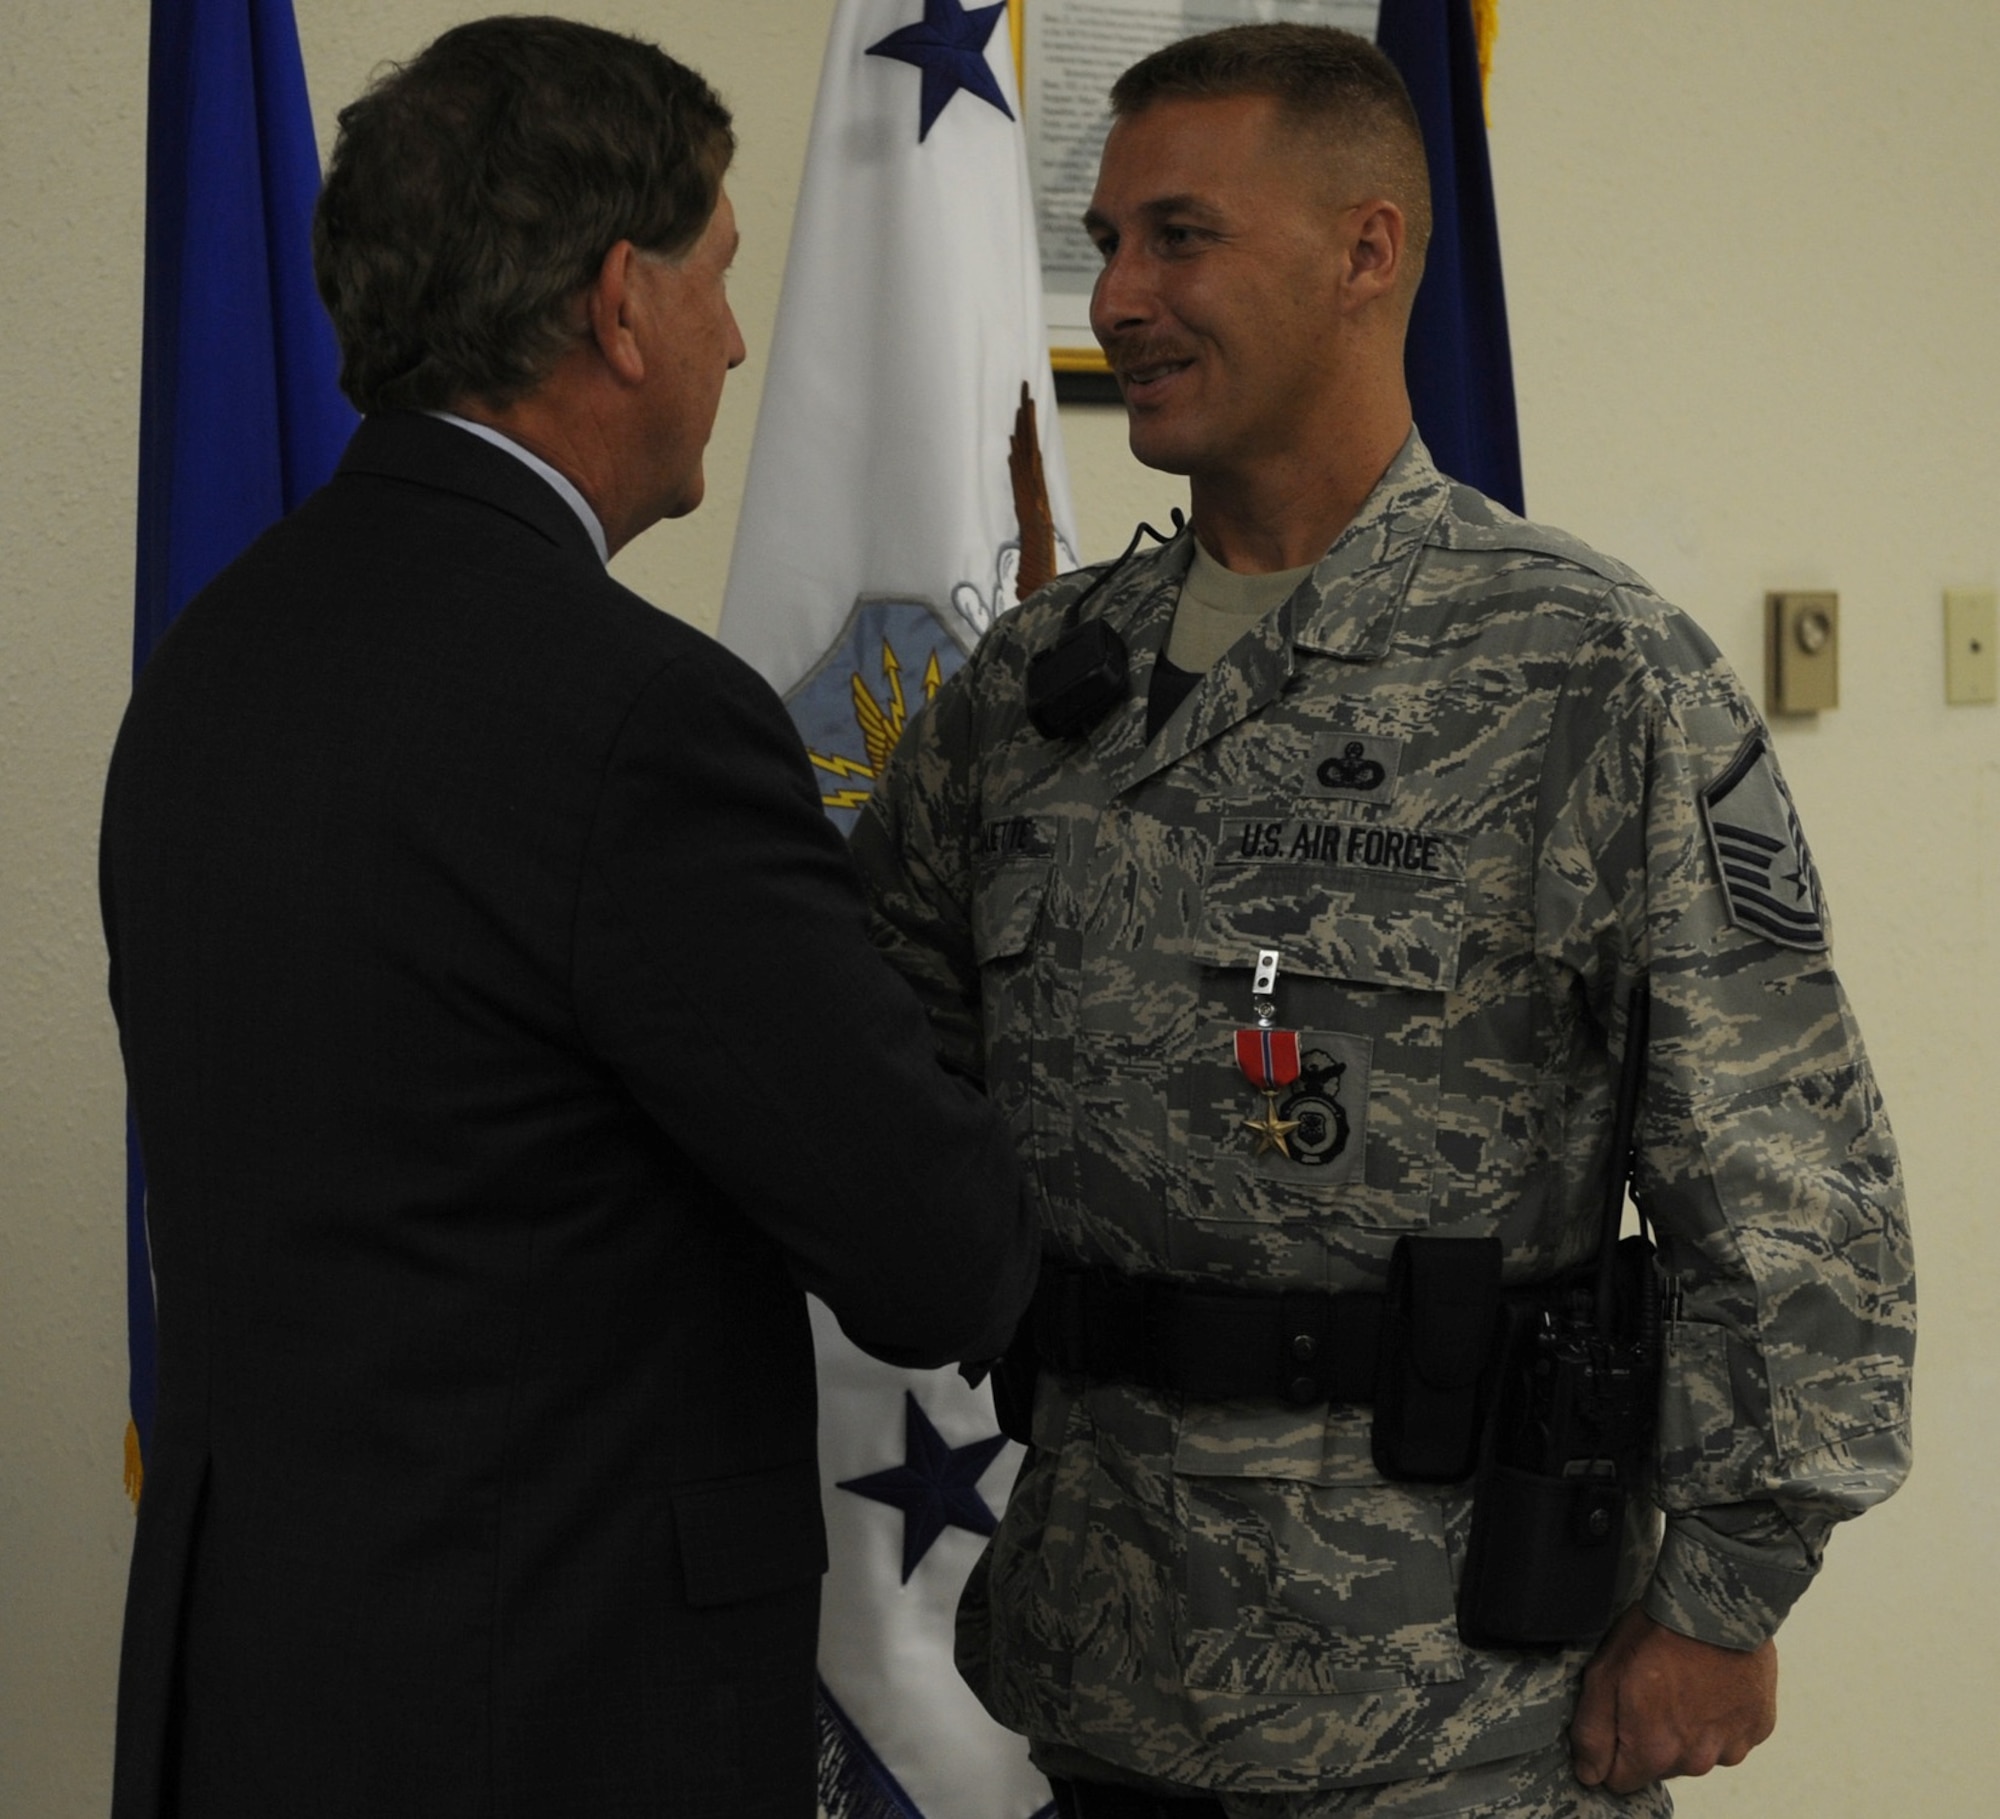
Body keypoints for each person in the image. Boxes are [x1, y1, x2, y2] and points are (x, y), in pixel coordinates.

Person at [852, 23, 1913, 1818]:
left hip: (1450, 1716)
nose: (1118, 295)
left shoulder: (1587, 672)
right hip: (1099, 1669)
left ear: (1370, 250)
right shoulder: (1043, 687)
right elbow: (863, 1061)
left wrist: (1728, 1597)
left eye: (1178, 237)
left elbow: (1789, 1180)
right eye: (1102, 241)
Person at [99, 17, 1038, 1818]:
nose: (740, 339)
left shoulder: (213, 659)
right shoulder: (633, 720)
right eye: (717, 277)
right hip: (548, 1716)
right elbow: (933, 1259)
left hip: (253, 1699)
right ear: (620, 302)